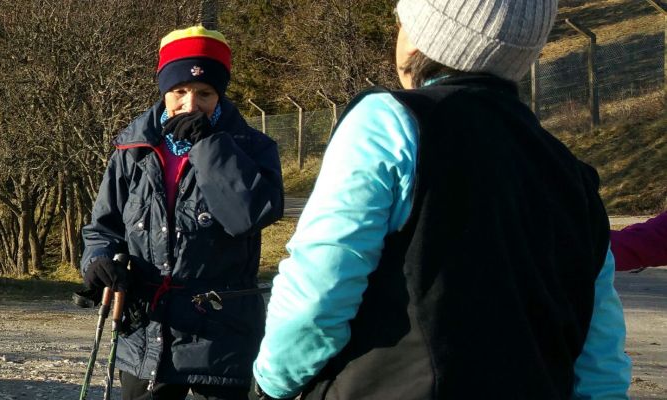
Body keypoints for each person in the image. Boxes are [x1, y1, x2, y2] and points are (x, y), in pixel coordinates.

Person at [251, 0, 631, 398]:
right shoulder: (571, 173)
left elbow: (320, 284)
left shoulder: (388, 123)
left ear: (421, 37)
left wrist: (273, 380)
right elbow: (599, 349)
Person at [77, 25, 284, 400]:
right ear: (164, 91)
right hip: (147, 331)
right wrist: (98, 260)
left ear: (219, 94)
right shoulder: (132, 150)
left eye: (204, 93)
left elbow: (249, 215)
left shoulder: (253, 148)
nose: (191, 105)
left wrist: (208, 147)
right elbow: (103, 227)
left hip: (223, 335)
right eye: (180, 92)